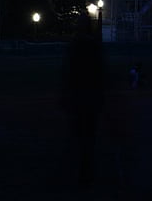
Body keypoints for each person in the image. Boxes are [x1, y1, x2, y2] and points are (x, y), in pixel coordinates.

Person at [62, 13, 106, 188]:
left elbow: (69, 71)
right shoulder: (92, 45)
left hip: (81, 96)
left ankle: (80, 172)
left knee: (80, 136)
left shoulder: (77, 45)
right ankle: (85, 172)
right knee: (87, 137)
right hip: (88, 96)